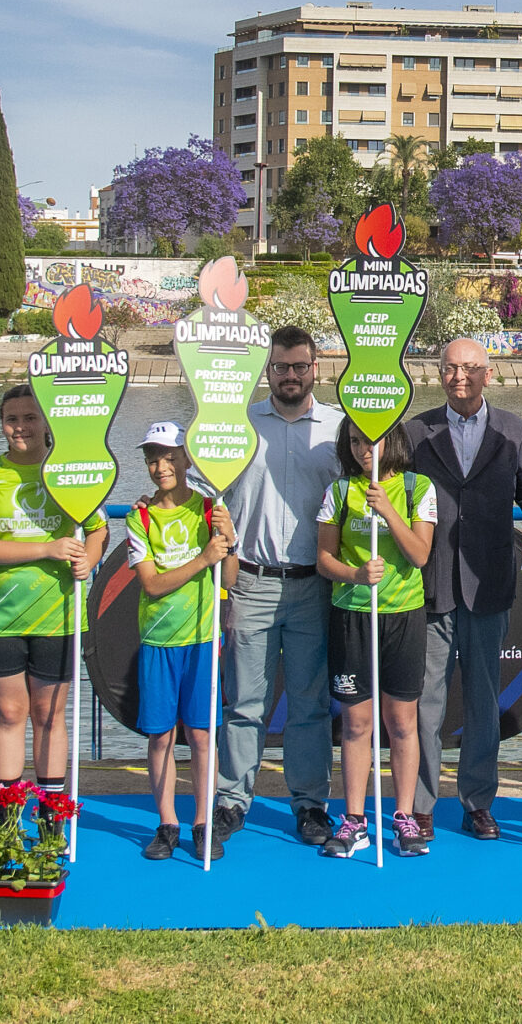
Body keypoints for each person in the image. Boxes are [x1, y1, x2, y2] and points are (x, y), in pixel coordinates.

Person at [403, 337, 522, 842]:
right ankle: (420, 806)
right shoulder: (413, 432)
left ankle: (477, 803)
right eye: (450, 368)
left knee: (484, 703)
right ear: (438, 372)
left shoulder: (515, 431)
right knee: (426, 704)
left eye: (470, 368)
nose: (459, 376)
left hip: (489, 585)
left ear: (488, 374)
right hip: (429, 587)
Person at [208, 326, 341, 848]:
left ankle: (310, 804)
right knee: (245, 701)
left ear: (316, 369)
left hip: (313, 584)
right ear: (268, 370)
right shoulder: (237, 425)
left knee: (309, 704)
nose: (291, 375)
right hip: (252, 582)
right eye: (281, 367)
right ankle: (231, 801)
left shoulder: (336, 428)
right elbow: (205, 492)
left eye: (300, 366)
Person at [0, 384, 106, 799]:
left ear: (47, 422)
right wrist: (47, 547)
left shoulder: (69, 473)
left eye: (29, 417)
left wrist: (89, 558)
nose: (20, 427)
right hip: (0, 616)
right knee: (8, 713)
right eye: (12, 419)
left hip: (58, 614)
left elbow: (98, 530)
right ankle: (7, 815)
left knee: (48, 714)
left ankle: (51, 813)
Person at [315, 419, 437, 861]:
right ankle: (353, 819)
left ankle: (403, 816)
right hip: (352, 616)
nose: (364, 448)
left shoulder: (417, 488)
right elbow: (324, 559)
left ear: (392, 440)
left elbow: (420, 555)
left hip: (402, 617)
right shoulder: (339, 492)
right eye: (354, 441)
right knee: (356, 724)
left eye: (371, 439)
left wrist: (388, 510)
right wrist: (353, 574)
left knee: (402, 723)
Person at [129, 421, 238, 861]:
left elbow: (229, 578)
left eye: (170, 457)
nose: (161, 466)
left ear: (187, 459)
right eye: (153, 458)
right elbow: (152, 585)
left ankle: (202, 823)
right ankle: (167, 823)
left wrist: (226, 544)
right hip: (158, 640)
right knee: (159, 737)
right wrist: (202, 558)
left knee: (201, 736)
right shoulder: (140, 515)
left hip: (201, 638)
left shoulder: (212, 508)